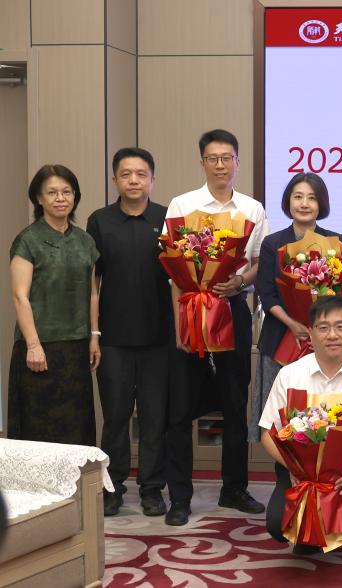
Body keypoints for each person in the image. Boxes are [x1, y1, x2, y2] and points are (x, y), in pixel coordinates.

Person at [163, 129, 271, 526]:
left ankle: (234, 489)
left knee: (234, 403)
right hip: (191, 311)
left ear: (237, 162)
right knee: (181, 407)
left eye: (227, 158)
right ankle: (180, 497)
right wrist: (182, 317)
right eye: (213, 158)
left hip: (232, 310)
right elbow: (172, 265)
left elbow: (259, 263)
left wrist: (239, 281)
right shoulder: (182, 204)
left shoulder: (252, 209)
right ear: (203, 162)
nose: (221, 165)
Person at [259, 296, 342, 573]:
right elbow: (267, 433)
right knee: (276, 524)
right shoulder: (290, 374)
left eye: (340, 326)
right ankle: (311, 535)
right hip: (300, 471)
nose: (332, 335)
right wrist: (293, 467)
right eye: (323, 328)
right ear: (310, 333)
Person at [87, 147, 172, 517]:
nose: (133, 180)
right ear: (115, 180)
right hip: (114, 339)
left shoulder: (168, 218)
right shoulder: (100, 221)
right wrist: (94, 334)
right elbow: (93, 282)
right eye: (126, 174)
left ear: (152, 179)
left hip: (160, 339)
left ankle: (152, 489)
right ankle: (113, 488)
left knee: (155, 418)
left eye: (141, 174)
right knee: (116, 418)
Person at [8, 164, 100, 445]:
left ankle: (77, 477)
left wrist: (94, 336)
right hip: (39, 349)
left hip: (76, 348)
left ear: (75, 196)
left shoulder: (85, 240)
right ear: (39, 198)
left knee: (77, 427)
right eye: (52, 192)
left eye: (66, 192)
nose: (60, 198)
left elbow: (92, 293)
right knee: (37, 429)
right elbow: (20, 296)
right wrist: (33, 345)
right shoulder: (28, 240)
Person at [250, 172, 342, 443]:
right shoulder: (273, 243)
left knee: (321, 414)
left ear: (321, 203)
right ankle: (282, 468)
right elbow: (266, 294)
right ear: (288, 201)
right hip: (281, 338)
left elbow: (341, 295)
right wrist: (294, 324)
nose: (304, 204)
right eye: (298, 197)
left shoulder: (336, 242)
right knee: (281, 416)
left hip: (324, 341)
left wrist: (318, 329)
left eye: (312, 198)